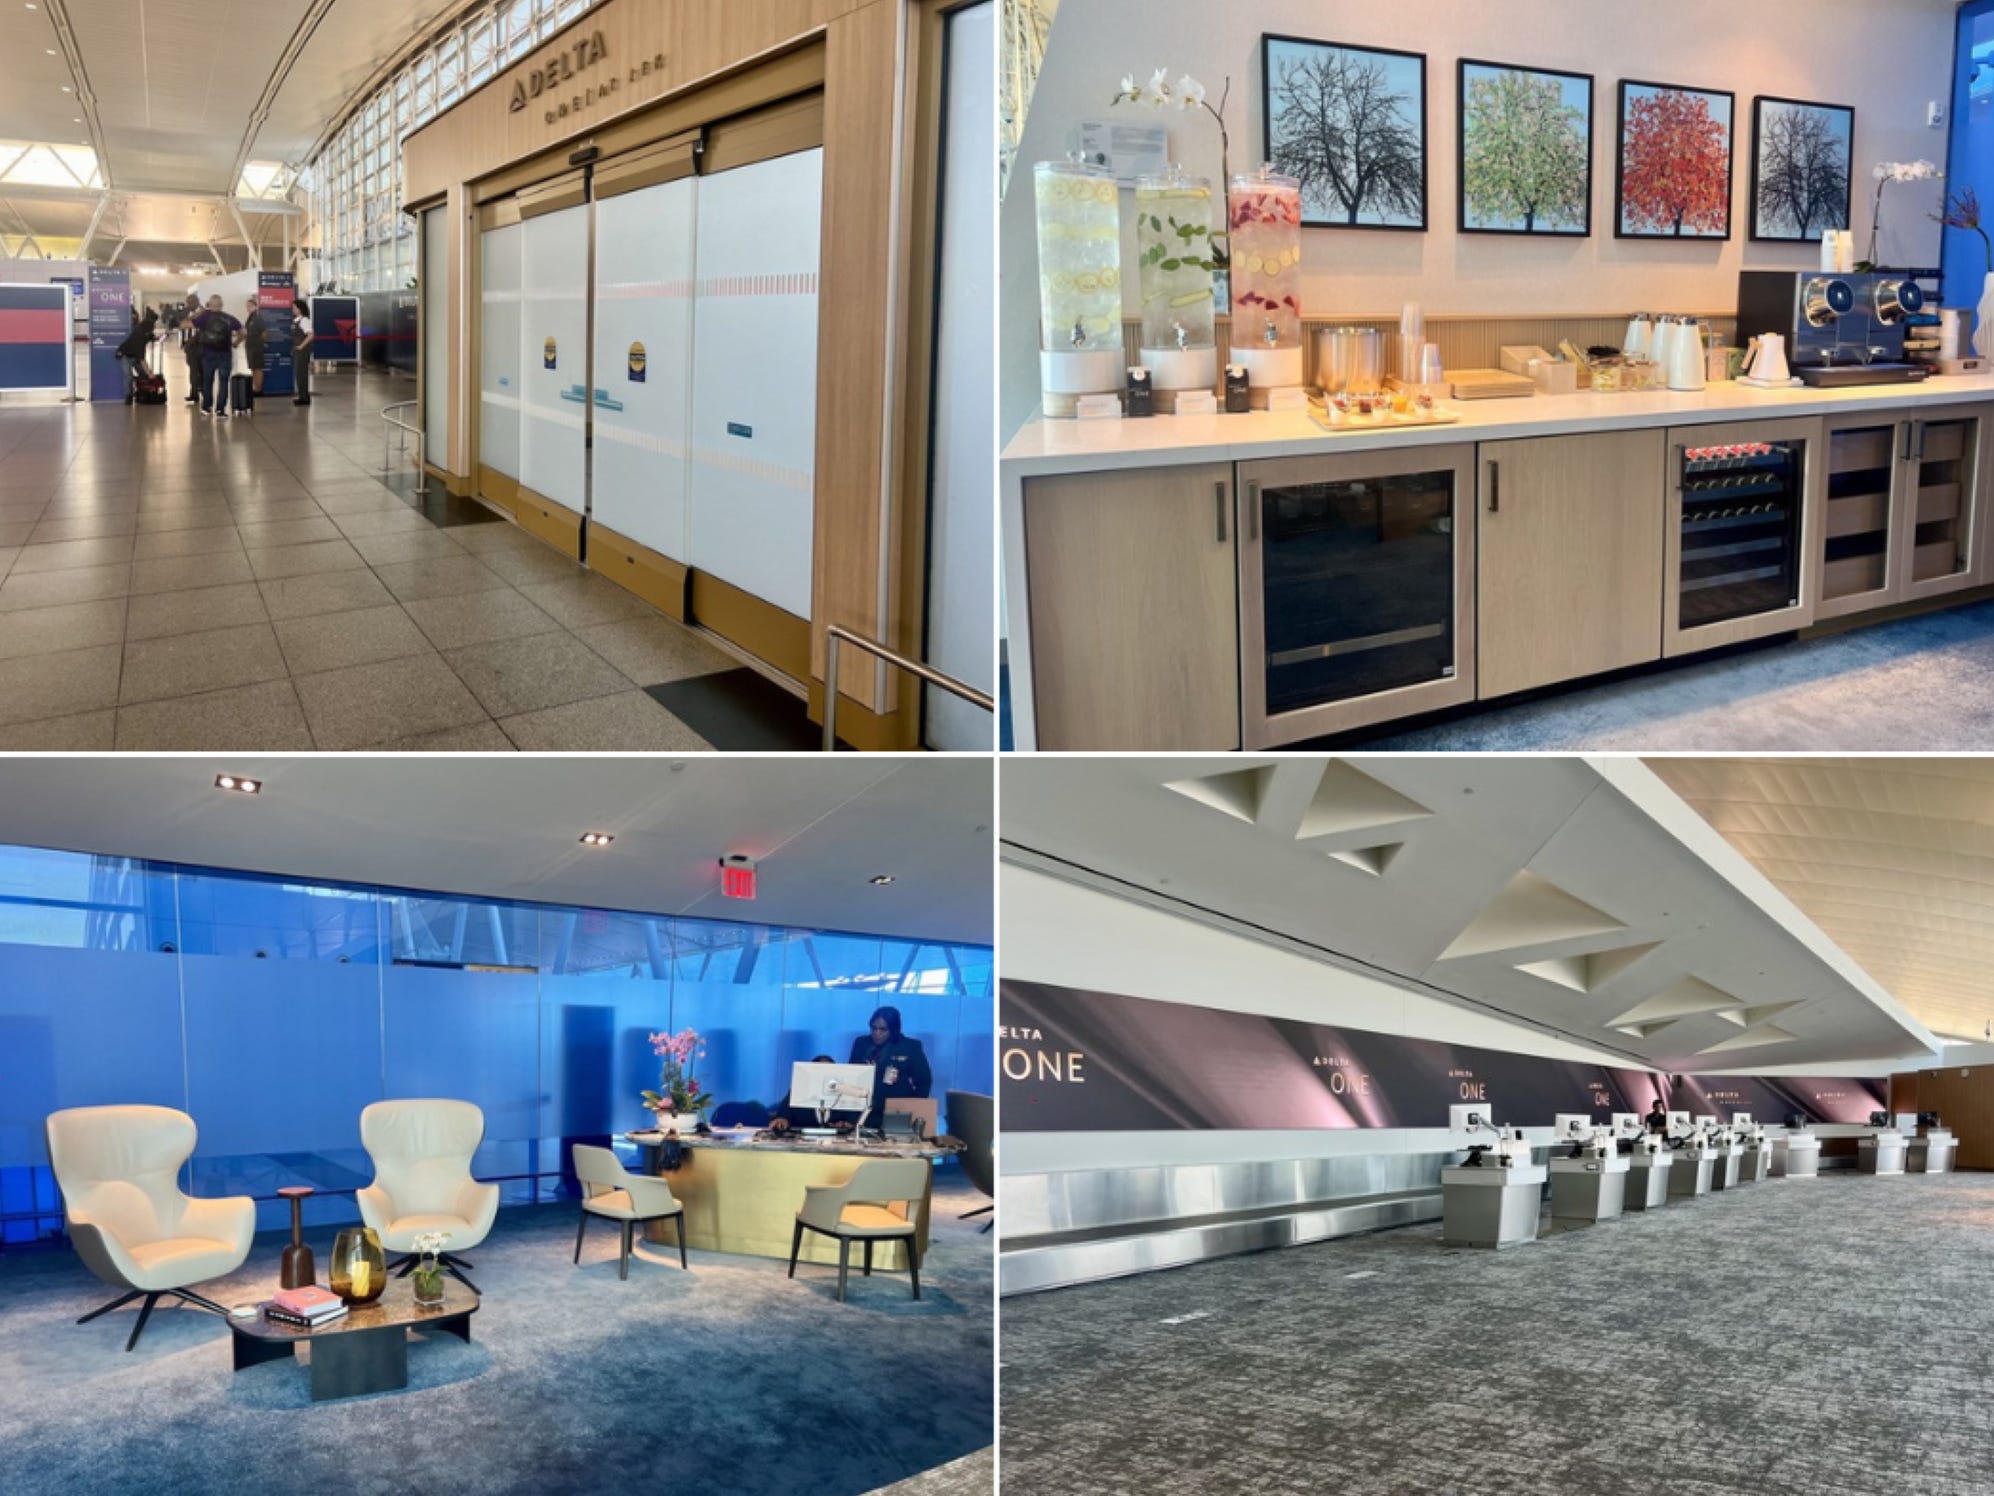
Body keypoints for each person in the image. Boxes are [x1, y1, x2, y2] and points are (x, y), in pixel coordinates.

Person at [847, 1006, 932, 1128]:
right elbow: (851, 1073)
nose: (877, 1033)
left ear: (893, 1029)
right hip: (862, 1109)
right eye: (874, 1028)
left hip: (895, 1110)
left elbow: (924, 1081)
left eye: (883, 1029)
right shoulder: (861, 1043)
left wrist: (913, 1107)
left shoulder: (910, 1046)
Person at [189, 295, 243, 417]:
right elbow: (242, 332)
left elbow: (189, 323)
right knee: (224, 382)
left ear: (210, 304)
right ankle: (220, 410)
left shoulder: (204, 317)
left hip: (208, 354)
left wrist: (199, 313)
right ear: (222, 305)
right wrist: (235, 343)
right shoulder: (229, 318)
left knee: (208, 381)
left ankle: (207, 407)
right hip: (225, 354)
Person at [764, 1055, 844, 1135]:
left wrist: (847, 1125)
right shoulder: (797, 1093)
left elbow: (853, 1121)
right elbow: (783, 1116)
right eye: (820, 1072)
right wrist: (782, 1121)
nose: (824, 1077)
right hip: (801, 1141)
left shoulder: (845, 1095)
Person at [114, 307, 156, 403]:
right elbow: (142, 360)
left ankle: (142, 391)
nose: (151, 332)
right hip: (126, 356)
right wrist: (150, 374)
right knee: (128, 376)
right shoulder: (139, 339)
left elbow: (149, 337)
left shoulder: (142, 330)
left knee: (143, 374)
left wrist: (155, 338)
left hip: (136, 356)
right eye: (151, 331)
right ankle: (128, 396)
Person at [180, 291, 202, 403]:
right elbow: (183, 325)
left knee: (199, 371)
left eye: (191, 303)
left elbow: (200, 330)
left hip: (199, 346)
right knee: (193, 370)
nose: (189, 305)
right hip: (190, 347)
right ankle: (194, 393)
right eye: (188, 303)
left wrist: (190, 342)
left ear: (196, 302)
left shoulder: (203, 313)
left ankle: (198, 392)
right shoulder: (189, 313)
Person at [242, 296, 266, 399]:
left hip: (256, 347)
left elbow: (264, 332)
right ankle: (255, 387)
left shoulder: (257, 318)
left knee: (257, 368)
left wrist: (260, 343)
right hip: (250, 347)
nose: (248, 308)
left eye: (250, 306)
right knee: (253, 368)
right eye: (247, 306)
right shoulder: (250, 318)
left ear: (256, 307)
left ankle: (258, 389)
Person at [291, 298, 313, 405]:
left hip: (302, 351)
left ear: (300, 309)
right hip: (298, 350)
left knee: (301, 374)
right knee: (299, 374)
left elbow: (310, 335)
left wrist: (301, 346)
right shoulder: (297, 320)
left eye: (294, 307)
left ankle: (304, 397)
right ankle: (302, 395)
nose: (293, 309)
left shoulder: (304, 320)